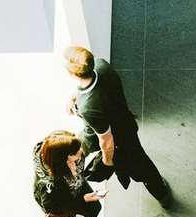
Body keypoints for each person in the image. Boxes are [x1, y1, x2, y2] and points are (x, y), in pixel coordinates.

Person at [63, 45, 173, 208]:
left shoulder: (89, 107)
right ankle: (160, 190)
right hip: (124, 122)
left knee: (140, 166)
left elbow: (106, 141)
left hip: (117, 138)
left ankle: (162, 195)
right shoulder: (102, 65)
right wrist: (74, 98)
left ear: (73, 74)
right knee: (139, 160)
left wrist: (108, 162)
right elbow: (88, 87)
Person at [33, 130, 115, 217]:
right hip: (58, 201)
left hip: (76, 184)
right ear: (65, 158)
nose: (81, 151)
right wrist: (83, 199)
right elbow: (54, 208)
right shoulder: (50, 183)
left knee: (95, 207)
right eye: (76, 152)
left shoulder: (67, 150)